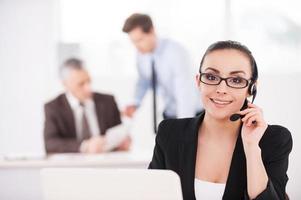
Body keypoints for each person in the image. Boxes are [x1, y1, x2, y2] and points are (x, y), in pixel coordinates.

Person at [149, 41, 292, 200]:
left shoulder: (274, 139)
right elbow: (151, 193)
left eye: (236, 80)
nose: (221, 90)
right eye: (211, 77)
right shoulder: (170, 133)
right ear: (198, 81)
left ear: (251, 88)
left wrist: (252, 148)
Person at [122, 13, 201, 133]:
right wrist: (135, 102)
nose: (137, 47)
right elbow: (144, 81)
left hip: (192, 114)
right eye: (133, 42)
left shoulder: (175, 52)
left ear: (152, 31)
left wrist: (185, 127)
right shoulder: (142, 55)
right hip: (170, 114)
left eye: (140, 40)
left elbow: (185, 93)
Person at [44, 58, 131, 153]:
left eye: (89, 81)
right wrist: (85, 146)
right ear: (65, 84)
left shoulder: (108, 102)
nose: (88, 88)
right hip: (71, 165)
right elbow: (50, 143)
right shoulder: (53, 107)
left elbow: (118, 134)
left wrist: (122, 143)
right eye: (81, 84)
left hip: (105, 161)